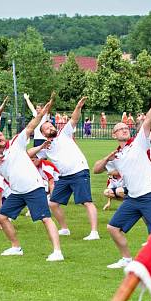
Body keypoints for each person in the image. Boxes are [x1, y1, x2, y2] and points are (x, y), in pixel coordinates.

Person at [0, 94, 64, 262]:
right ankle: (16, 247)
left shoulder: (17, 142)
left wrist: (44, 111)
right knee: (1, 216)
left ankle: (57, 251)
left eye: (1, 135)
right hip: (17, 193)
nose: (0, 138)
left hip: (34, 188)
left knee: (45, 219)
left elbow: (32, 125)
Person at [93, 87, 151, 269]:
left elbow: (148, 119)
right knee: (112, 228)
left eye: (126, 128)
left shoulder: (139, 143)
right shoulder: (116, 156)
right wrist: (106, 159)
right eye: (120, 129)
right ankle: (127, 259)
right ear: (114, 135)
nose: (124, 130)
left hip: (150, 194)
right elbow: (96, 169)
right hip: (133, 198)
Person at [35, 97, 100, 241]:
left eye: (51, 126)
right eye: (47, 128)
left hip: (79, 172)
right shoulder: (45, 147)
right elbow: (30, 155)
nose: (51, 127)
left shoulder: (64, 133)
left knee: (86, 201)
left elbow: (74, 119)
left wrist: (78, 106)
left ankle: (94, 232)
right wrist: (40, 146)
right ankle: (64, 229)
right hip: (64, 177)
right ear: (43, 134)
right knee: (52, 203)